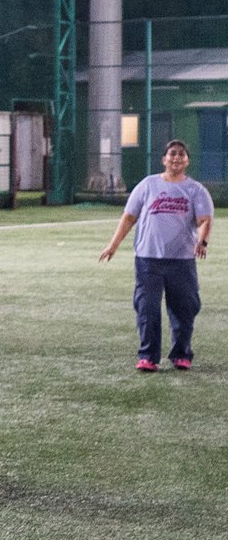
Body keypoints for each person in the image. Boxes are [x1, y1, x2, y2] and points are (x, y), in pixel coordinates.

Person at [98, 139, 213, 372]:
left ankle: (181, 354)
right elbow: (129, 217)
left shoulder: (196, 190)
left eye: (181, 154)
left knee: (184, 309)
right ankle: (148, 356)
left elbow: (205, 220)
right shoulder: (147, 185)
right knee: (147, 309)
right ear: (164, 159)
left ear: (187, 161)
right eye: (172, 153)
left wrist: (202, 241)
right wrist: (113, 245)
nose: (176, 157)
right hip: (148, 259)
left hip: (182, 260)